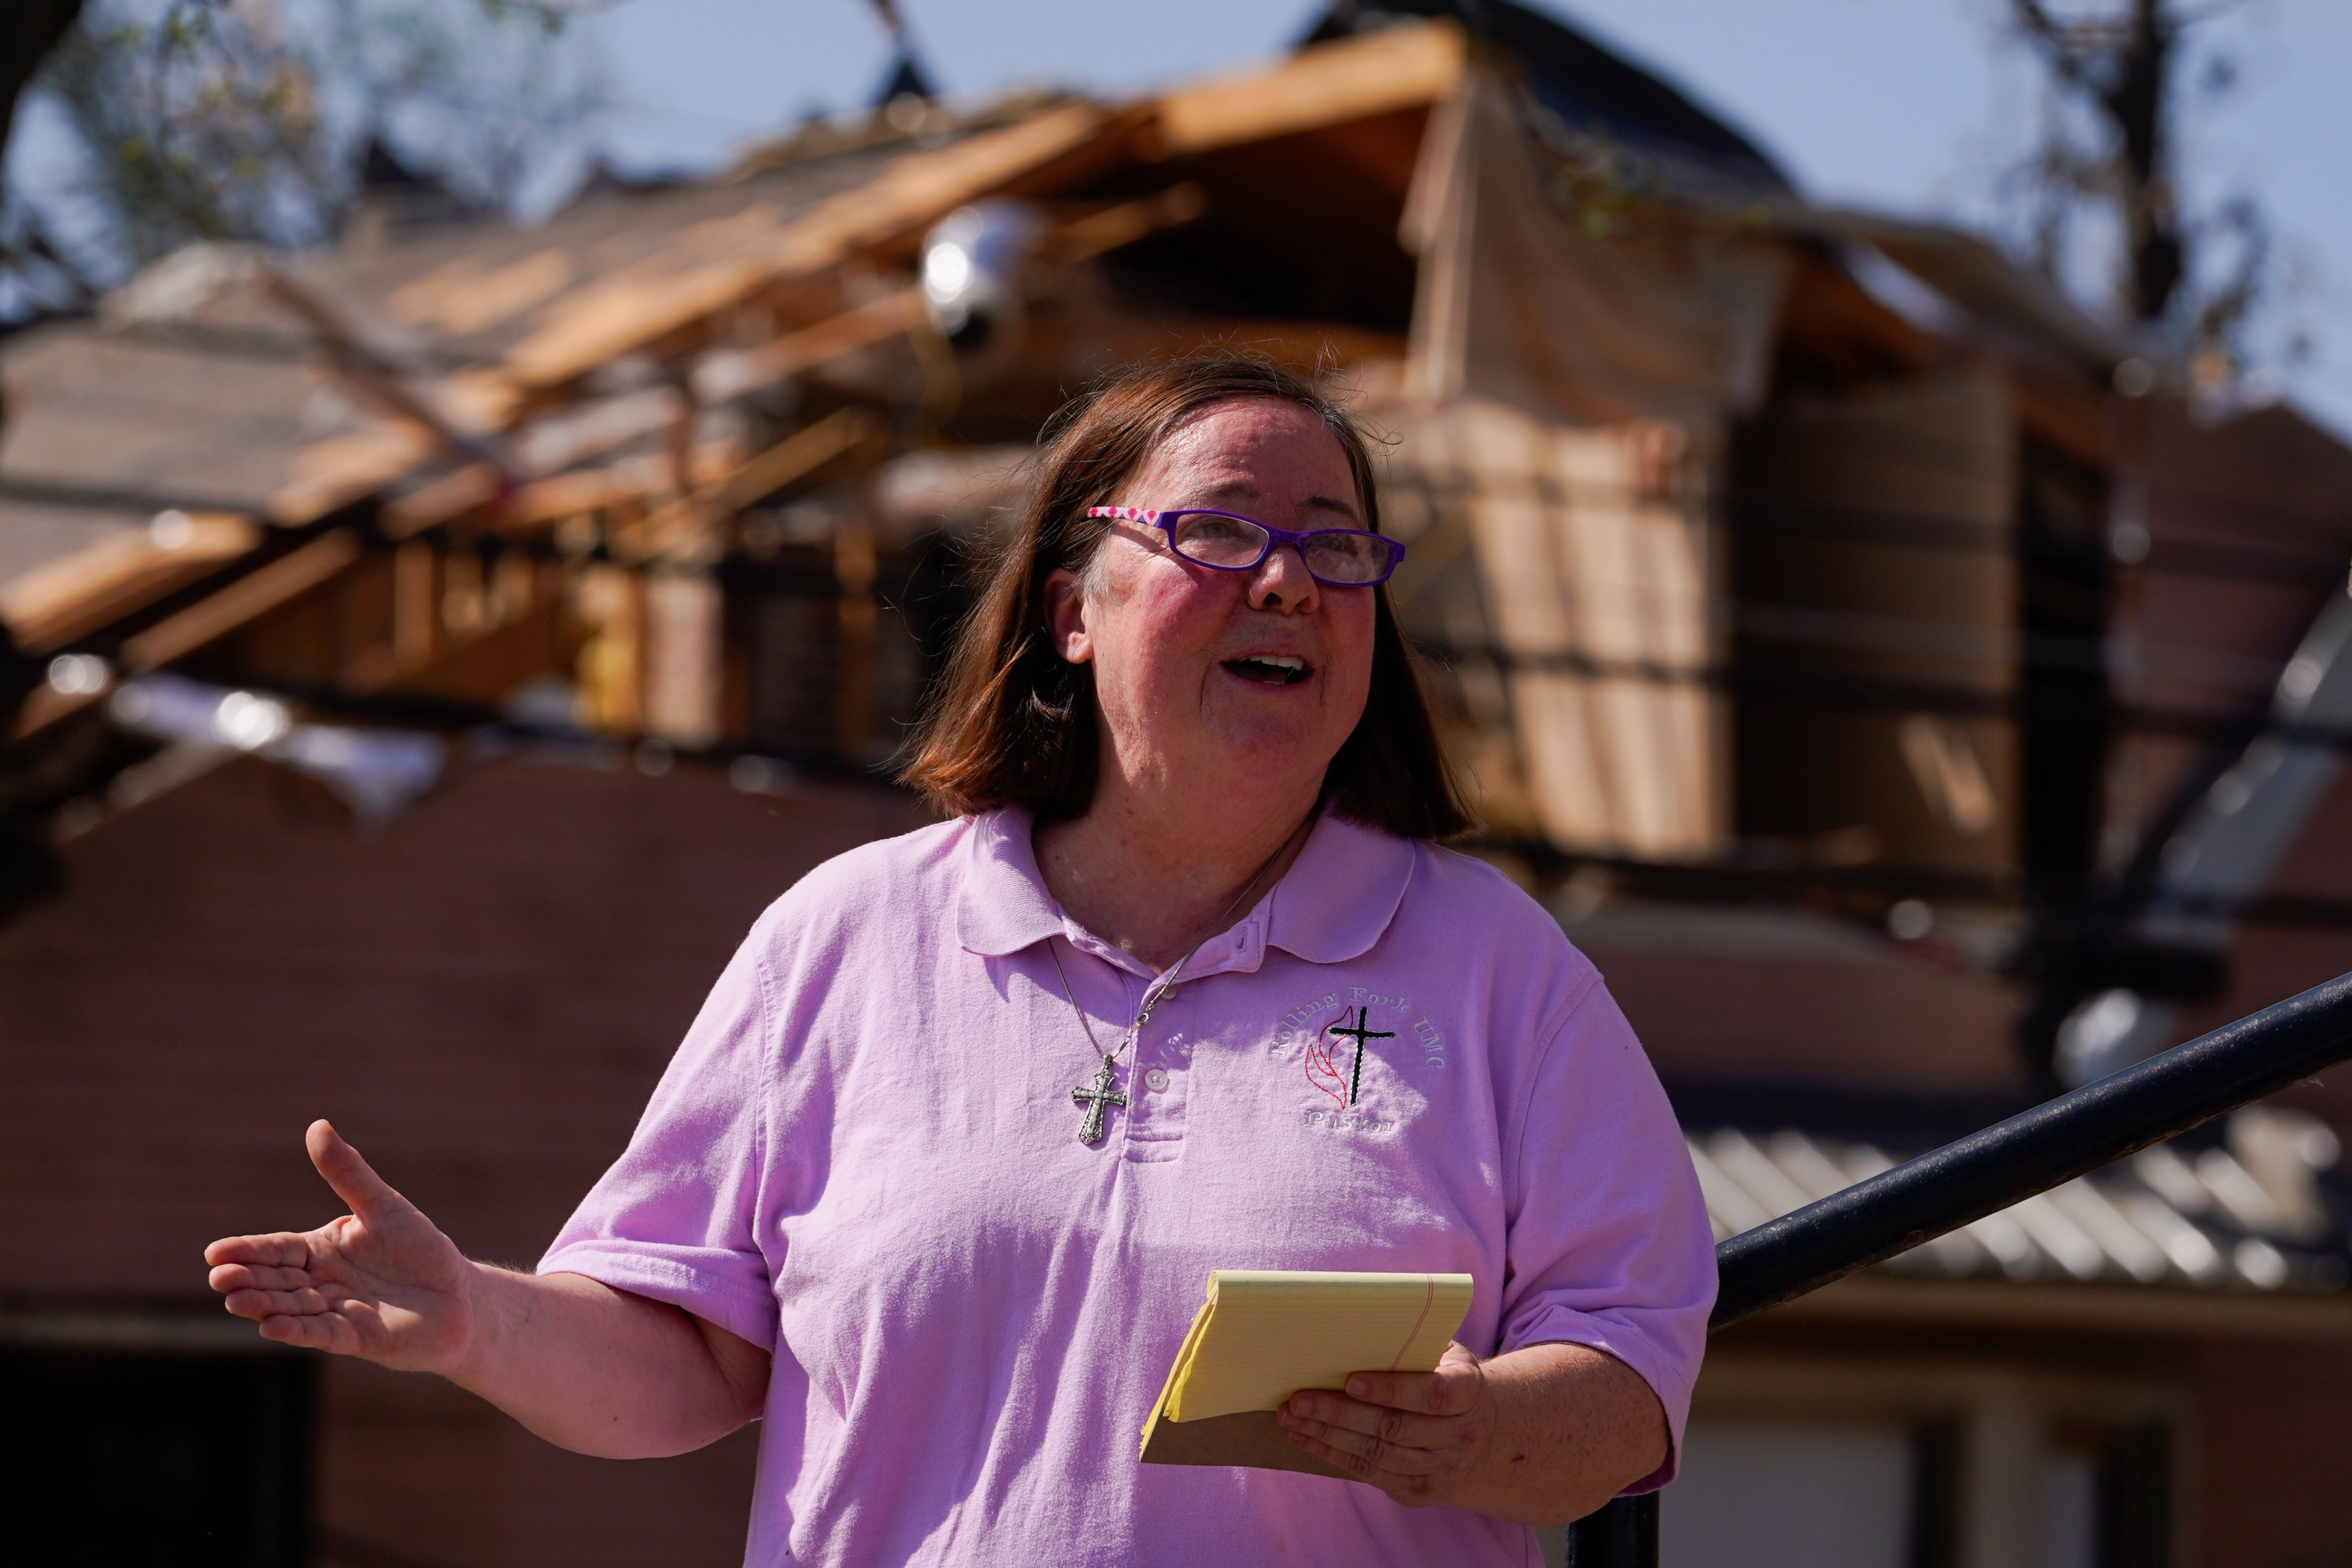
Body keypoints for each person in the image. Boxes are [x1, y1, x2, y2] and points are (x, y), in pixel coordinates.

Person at [206, 355, 1716, 1566]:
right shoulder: (849, 937)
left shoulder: (1496, 966)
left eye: (1334, 545)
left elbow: (1632, 1379)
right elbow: (679, 1355)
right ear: (1072, 608)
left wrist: (1467, 1430)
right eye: (1216, 529)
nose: (1286, 580)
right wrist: (477, 1317)